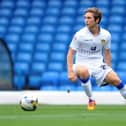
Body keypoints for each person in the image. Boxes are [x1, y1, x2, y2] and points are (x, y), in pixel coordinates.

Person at [67, 7, 126, 110]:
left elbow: (107, 53)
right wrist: (70, 72)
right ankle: (91, 99)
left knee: (116, 80)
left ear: (97, 20)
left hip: (98, 64)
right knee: (84, 71)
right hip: (82, 63)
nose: (86, 20)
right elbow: (70, 54)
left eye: (89, 18)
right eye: (85, 18)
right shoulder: (80, 35)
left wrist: (109, 69)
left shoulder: (106, 35)